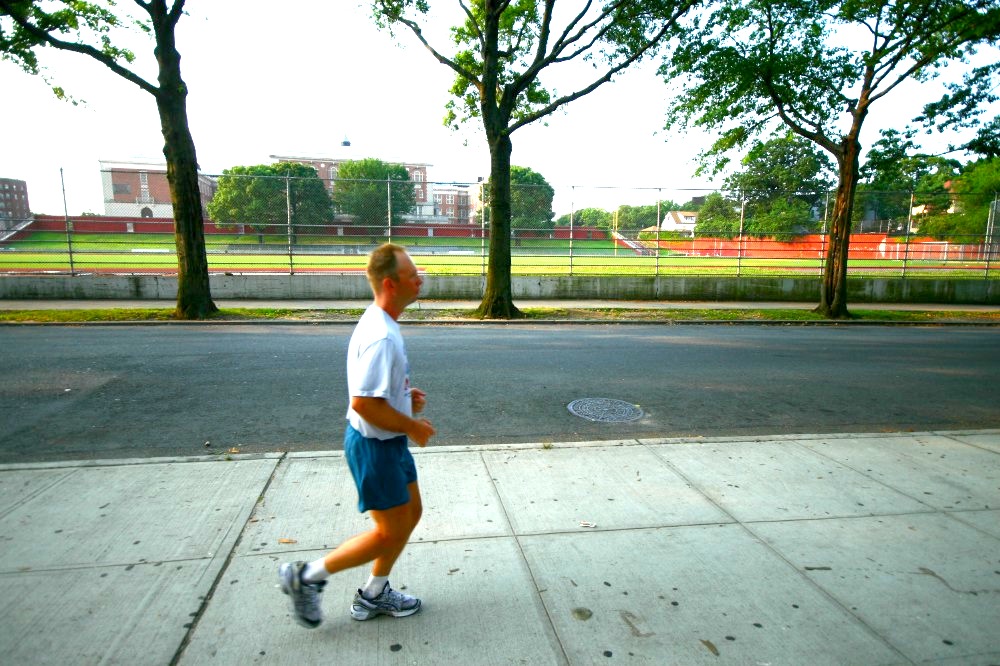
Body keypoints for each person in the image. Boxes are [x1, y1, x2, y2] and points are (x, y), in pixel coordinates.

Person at [278, 243, 436, 629]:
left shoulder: (383, 321)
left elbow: (376, 394)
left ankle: (375, 592)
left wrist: (403, 398)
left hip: (387, 441)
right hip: (374, 447)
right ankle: (306, 576)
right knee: (388, 533)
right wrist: (412, 425)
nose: (420, 279)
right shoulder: (382, 336)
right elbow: (364, 403)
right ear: (390, 284)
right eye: (412, 274)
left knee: (411, 513)